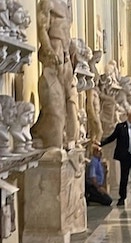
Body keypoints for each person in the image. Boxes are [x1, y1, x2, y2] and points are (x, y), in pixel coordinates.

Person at [31, 0, 78, 149]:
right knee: (55, 106)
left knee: (68, 105)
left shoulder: (66, 6)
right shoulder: (48, 2)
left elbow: (67, 34)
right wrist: (48, 48)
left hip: (65, 56)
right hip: (54, 52)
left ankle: (64, 140)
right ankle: (48, 139)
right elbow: (42, 28)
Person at [100, 111, 131, 207]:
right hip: (125, 156)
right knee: (124, 178)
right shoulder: (121, 127)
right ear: (130, 118)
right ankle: (122, 198)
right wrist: (101, 143)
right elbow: (112, 137)